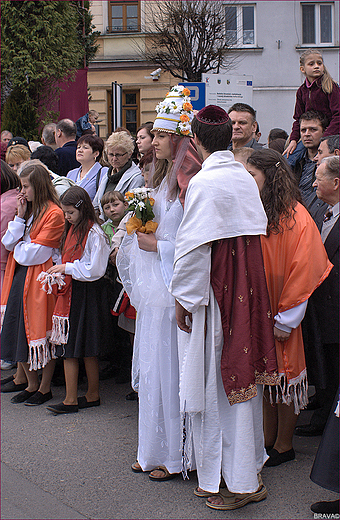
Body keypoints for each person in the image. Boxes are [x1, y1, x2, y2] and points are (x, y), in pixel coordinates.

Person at [170, 105, 278, 511]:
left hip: (216, 301)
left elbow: (195, 252)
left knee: (219, 389)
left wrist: (185, 300)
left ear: (195, 141)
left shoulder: (204, 183)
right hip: (245, 294)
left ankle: (242, 482)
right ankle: (221, 473)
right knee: (236, 388)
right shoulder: (243, 179)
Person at [117, 85, 202, 480]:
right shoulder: (164, 176)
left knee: (171, 374)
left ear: (180, 137)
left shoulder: (190, 180)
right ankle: (150, 449)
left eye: (166, 135)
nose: (158, 141)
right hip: (155, 291)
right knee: (152, 371)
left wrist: (157, 245)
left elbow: (194, 241)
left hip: (173, 290)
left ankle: (174, 455)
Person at [245, 149, 332, 467]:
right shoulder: (257, 210)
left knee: (284, 378)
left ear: (272, 176)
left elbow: (307, 264)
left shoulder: (295, 215)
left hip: (285, 310)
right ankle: (268, 440)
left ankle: (284, 444)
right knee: (266, 377)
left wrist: (287, 316)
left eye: (252, 175)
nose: (248, 181)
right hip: (260, 307)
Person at [1, 162, 65, 406]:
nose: (22, 191)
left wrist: (19, 247)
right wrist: (18, 216)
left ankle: (44, 388)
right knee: (20, 332)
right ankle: (30, 384)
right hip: (20, 277)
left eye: (26, 186)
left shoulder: (54, 213)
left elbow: (36, 254)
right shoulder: (28, 210)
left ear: (38, 186)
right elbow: (8, 242)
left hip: (41, 281)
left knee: (42, 335)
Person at [45, 186, 111, 415]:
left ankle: (80, 397)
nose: (67, 217)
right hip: (74, 290)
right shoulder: (72, 229)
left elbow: (97, 269)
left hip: (86, 294)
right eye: (65, 212)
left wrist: (67, 268)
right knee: (74, 347)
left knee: (79, 347)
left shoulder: (95, 233)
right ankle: (81, 396)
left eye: (71, 212)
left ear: (83, 209)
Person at [297, 156, 339, 437]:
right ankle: (324, 410)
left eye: (319, 178)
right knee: (326, 360)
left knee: (334, 364)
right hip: (324, 305)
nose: (313, 183)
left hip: (334, 305)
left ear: (336, 182)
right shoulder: (327, 212)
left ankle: (327, 419)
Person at [284, 48, 339, 159]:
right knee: (289, 158)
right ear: (302, 69)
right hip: (311, 134)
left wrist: (326, 137)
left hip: (331, 134)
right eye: (311, 64)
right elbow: (298, 118)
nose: (316, 66)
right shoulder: (301, 91)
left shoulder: (330, 87)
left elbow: (338, 115)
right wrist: (294, 139)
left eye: (319, 63)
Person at [93, 131, 144, 220]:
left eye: (118, 155)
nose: (114, 159)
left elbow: (131, 210)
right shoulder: (107, 175)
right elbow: (96, 204)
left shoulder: (136, 177)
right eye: (111, 154)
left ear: (129, 154)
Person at [293, 110, 329, 220]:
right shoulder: (292, 162)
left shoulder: (328, 165)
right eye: (303, 130)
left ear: (324, 132)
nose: (307, 134)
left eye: (313, 130)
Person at [67, 134, 106, 201]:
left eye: (85, 147)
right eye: (78, 147)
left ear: (96, 153)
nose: (80, 150)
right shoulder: (71, 174)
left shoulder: (103, 172)